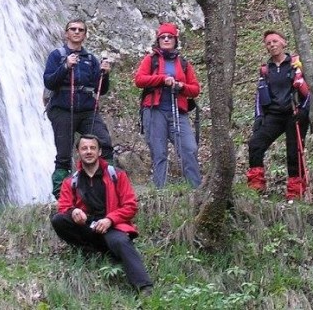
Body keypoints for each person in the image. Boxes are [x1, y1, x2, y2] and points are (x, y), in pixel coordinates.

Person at [51, 135, 154, 295]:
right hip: (85, 228)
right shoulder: (70, 181)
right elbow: (63, 207)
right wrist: (74, 211)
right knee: (58, 220)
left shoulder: (117, 175)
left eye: (92, 148)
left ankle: (144, 287)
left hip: (111, 228)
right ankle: (89, 251)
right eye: (84, 148)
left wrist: (110, 219)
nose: (88, 151)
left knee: (122, 242)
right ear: (78, 152)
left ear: (99, 152)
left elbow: (130, 206)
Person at [43, 19, 113, 197]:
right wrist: (65, 67)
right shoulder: (56, 56)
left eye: (81, 29)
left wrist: (104, 75)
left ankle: (108, 185)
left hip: (88, 110)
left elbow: (101, 89)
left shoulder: (90, 59)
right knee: (64, 153)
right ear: (66, 33)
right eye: (73, 29)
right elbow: (49, 82)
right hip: (63, 110)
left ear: (85, 34)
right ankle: (61, 194)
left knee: (104, 142)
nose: (76, 32)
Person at [134, 22, 202, 188]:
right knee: (159, 153)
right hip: (154, 110)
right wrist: (162, 79)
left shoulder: (184, 64)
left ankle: (195, 189)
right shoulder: (151, 60)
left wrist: (181, 86)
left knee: (189, 148)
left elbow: (195, 89)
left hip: (178, 111)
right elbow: (139, 80)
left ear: (175, 40)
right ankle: (160, 192)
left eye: (169, 37)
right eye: (162, 37)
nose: (166, 39)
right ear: (158, 40)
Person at [246, 29, 311, 200]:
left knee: (294, 152)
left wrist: (304, 111)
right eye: (268, 43)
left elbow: (310, 91)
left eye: (275, 41)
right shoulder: (266, 70)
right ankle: (256, 186)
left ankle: (295, 192)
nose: (272, 45)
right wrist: (259, 117)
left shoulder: (297, 65)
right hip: (273, 115)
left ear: (283, 42)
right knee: (255, 144)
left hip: (294, 113)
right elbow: (259, 96)